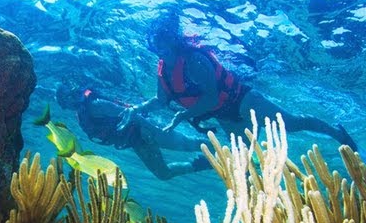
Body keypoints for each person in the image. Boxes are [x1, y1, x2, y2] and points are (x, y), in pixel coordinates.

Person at [117, 12, 358, 151]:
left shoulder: (193, 61)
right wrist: (138, 109)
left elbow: (211, 96)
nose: (161, 56)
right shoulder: (164, 69)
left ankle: (336, 132)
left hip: (243, 101)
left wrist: (182, 116)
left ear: (174, 44)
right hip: (225, 116)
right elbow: (161, 100)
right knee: (245, 157)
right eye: (157, 51)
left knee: (292, 124)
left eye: (164, 50)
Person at [56, 85, 211, 180]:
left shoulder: (96, 106)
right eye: (64, 104)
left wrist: (151, 130)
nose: (68, 104)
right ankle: (201, 163)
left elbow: (129, 113)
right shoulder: (83, 115)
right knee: (163, 174)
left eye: (67, 99)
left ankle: (226, 149)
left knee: (189, 144)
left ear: (71, 93)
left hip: (146, 130)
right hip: (136, 141)